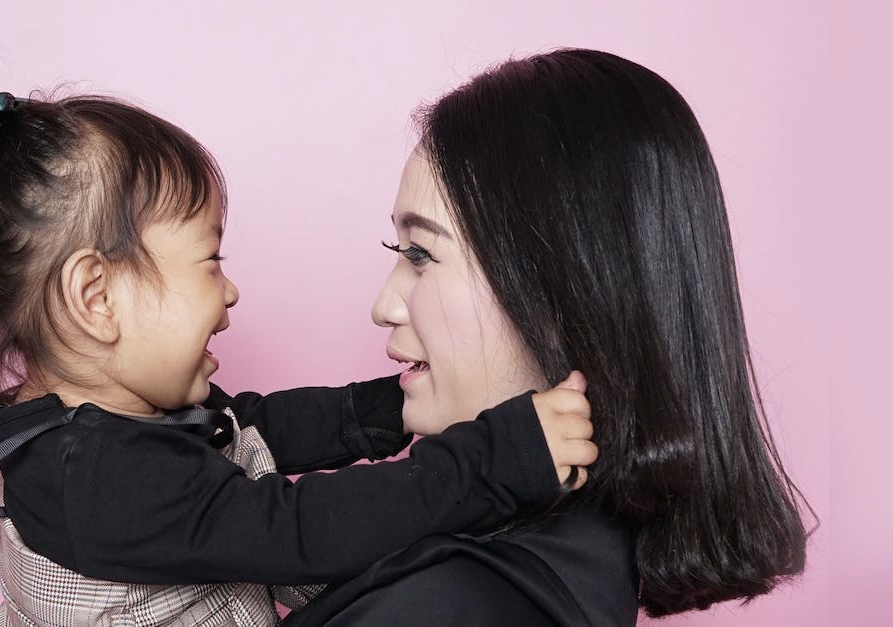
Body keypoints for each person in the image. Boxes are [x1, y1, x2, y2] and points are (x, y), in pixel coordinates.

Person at [0, 58, 600, 626]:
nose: (229, 293)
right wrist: (497, 457)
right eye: (210, 260)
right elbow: (299, 530)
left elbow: (251, 424)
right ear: (97, 298)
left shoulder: (105, 414)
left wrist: (389, 403)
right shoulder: (97, 479)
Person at [287, 48, 810, 626]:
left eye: (421, 253)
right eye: (398, 251)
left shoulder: (448, 605)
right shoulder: (546, 567)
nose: (384, 307)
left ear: (567, 291)